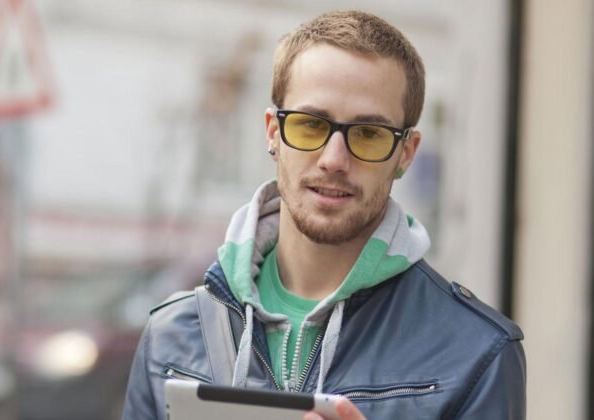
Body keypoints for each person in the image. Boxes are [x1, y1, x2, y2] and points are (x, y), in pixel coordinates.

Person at [122, 10, 525, 420]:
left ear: (406, 153)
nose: (334, 160)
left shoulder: (474, 354)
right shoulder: (172, 336)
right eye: (311, 125)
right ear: (273, 133)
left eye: (369, 134)